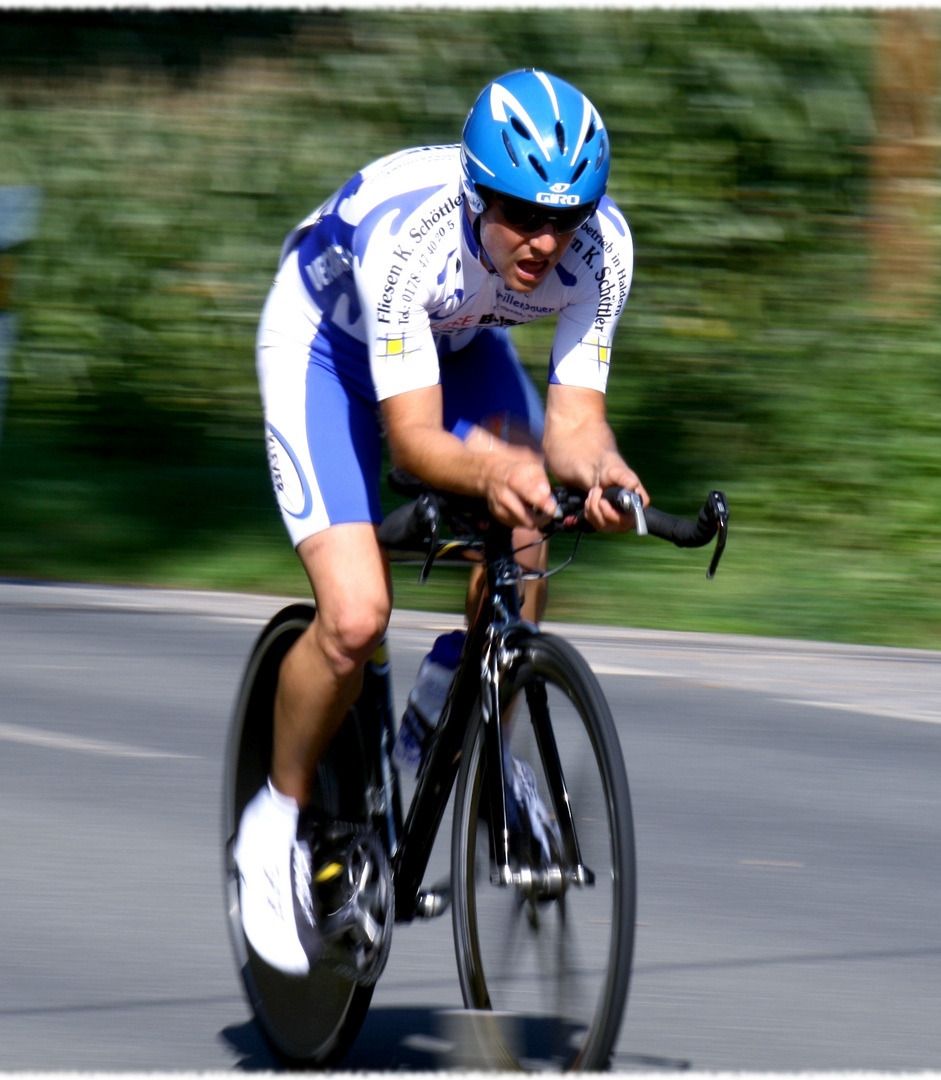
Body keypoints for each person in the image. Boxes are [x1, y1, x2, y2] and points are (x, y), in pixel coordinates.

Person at [235, 68, 648, 976]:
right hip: (324, 346)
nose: (546, 242)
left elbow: (575, 427)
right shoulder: (408, 237)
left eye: (566, 217)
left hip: (454, 340)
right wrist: (502, 464)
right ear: (475, 193)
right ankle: (273, 824)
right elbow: (416, 444)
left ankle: (467, 702)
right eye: (521, 215)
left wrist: (606, 472)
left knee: (536, 514)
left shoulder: (601, 248)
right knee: (352, 619)